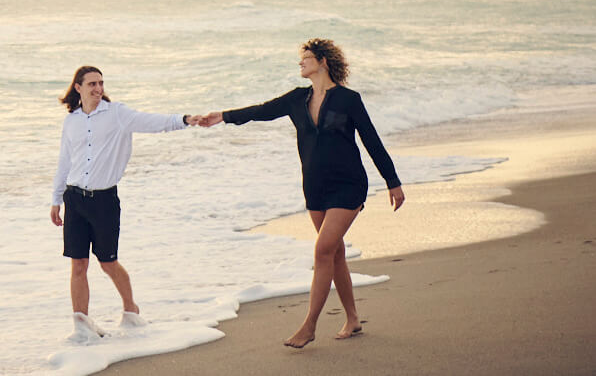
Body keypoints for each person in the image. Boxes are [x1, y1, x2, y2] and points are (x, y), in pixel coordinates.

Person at [198, 38, 406, 348]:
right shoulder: (297, 99)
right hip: (315, 186)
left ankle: (309, 326)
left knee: (322, 251)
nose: (301, 63)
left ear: (323, 61)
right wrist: (223, 116)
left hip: (348, 185)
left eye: (306, 58)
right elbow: (262, 110)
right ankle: (352, 318)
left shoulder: (349, 99)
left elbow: (371, 141)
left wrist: (393, 181)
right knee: (334, 253)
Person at [50, 64, 206, 342]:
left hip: (104, 201)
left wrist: (185, 119)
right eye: (91, 84)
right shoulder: (71, 120)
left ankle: (131, 312)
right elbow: (64, 161)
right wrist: (55, 199)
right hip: (74, 198)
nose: (98, 89)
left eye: (101, 83)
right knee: (78, 265)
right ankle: (82, 326)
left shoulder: (117, 114)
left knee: (108, 263)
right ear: (78, 88)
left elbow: (152, 122)